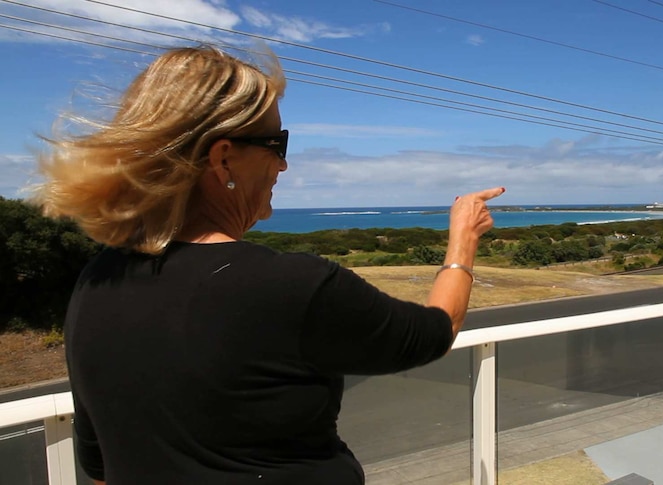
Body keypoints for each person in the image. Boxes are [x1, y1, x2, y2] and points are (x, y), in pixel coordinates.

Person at [33, 45, 504, 484]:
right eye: (276, 144)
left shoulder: (98, 280)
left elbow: (98, 465)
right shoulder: (289, 286)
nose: (283, 166)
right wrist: (462, 241)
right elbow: (432, 334)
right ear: (223, 160)